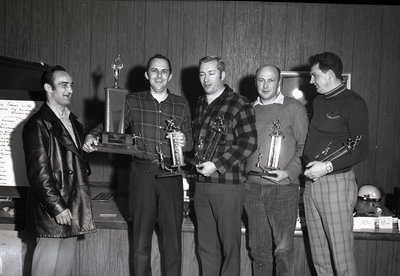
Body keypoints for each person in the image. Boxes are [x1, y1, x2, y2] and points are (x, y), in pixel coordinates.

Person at [83, 54, 193, 276]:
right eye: (154, 70)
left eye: (164, 71)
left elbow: (190, 142)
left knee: (173, 244)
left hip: (172, 177)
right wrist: (91, 136)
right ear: (146, 75)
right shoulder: (132, 101)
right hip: (142, 174)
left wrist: (184, 141)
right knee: (140, 242)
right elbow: (111, 125)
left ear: (170, 75)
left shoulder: (181, 104)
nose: (159, 76)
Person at [22, 65, 96, 276]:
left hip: (73, 206)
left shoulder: (74, 123)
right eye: (63, 85)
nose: (70, 90)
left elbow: (72, 162)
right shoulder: (37, 124)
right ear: (48, 88)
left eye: (71, 85)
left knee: (63, 270)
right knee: (45, 270)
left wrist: (86, 147)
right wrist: (57, 208)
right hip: (53, 211)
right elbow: (39, 174)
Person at [303, 52, 369, 276]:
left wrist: (327, 166)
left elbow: (361, 148)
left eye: (315, 76)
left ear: (330, 74)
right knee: (320, 257)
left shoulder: (354, 102)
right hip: (312, 183)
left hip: (336, 185)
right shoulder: (319, 100)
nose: (311, 82)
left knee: (341, 259)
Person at [193, 56, 257, 276]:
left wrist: (217, 164)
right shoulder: (200, 103)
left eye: (211, 73)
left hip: (228, 185)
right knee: (206, 246)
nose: (206, 79)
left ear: (222, 75)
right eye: (202, 74)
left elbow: (249, 143)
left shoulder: (239, 103)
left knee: (230, 248)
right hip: (201, 184)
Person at [243, 65, 309, 275]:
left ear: (279, 82)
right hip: (252, 189)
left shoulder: (294, 108)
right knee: (258, 252)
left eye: (270, 80)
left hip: (283, 189)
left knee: (283, 250)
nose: (265, 85)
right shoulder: (247, 110)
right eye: (261, 80)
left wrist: (289, 172)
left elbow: (305, 146)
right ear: (255, 82)